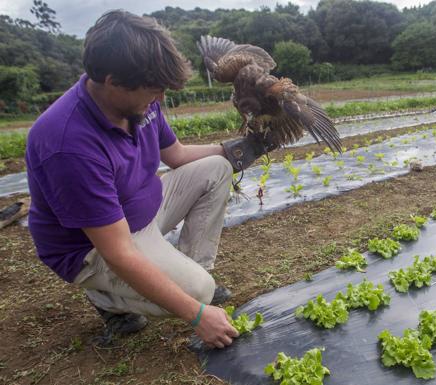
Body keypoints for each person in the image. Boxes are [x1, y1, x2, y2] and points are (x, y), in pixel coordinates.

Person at [25, 10, 273, 348]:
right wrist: (196, 315)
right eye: (154, 90)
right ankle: (108, 299)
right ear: (112, 82)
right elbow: (117, 251)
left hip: (142, 211)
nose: (160, 99)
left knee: (217, 168)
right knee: (198, 294)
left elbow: (177, 155)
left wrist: (237, 149)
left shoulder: (141, 103)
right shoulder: (68, 144)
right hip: (95, 246)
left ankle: (191, 273)